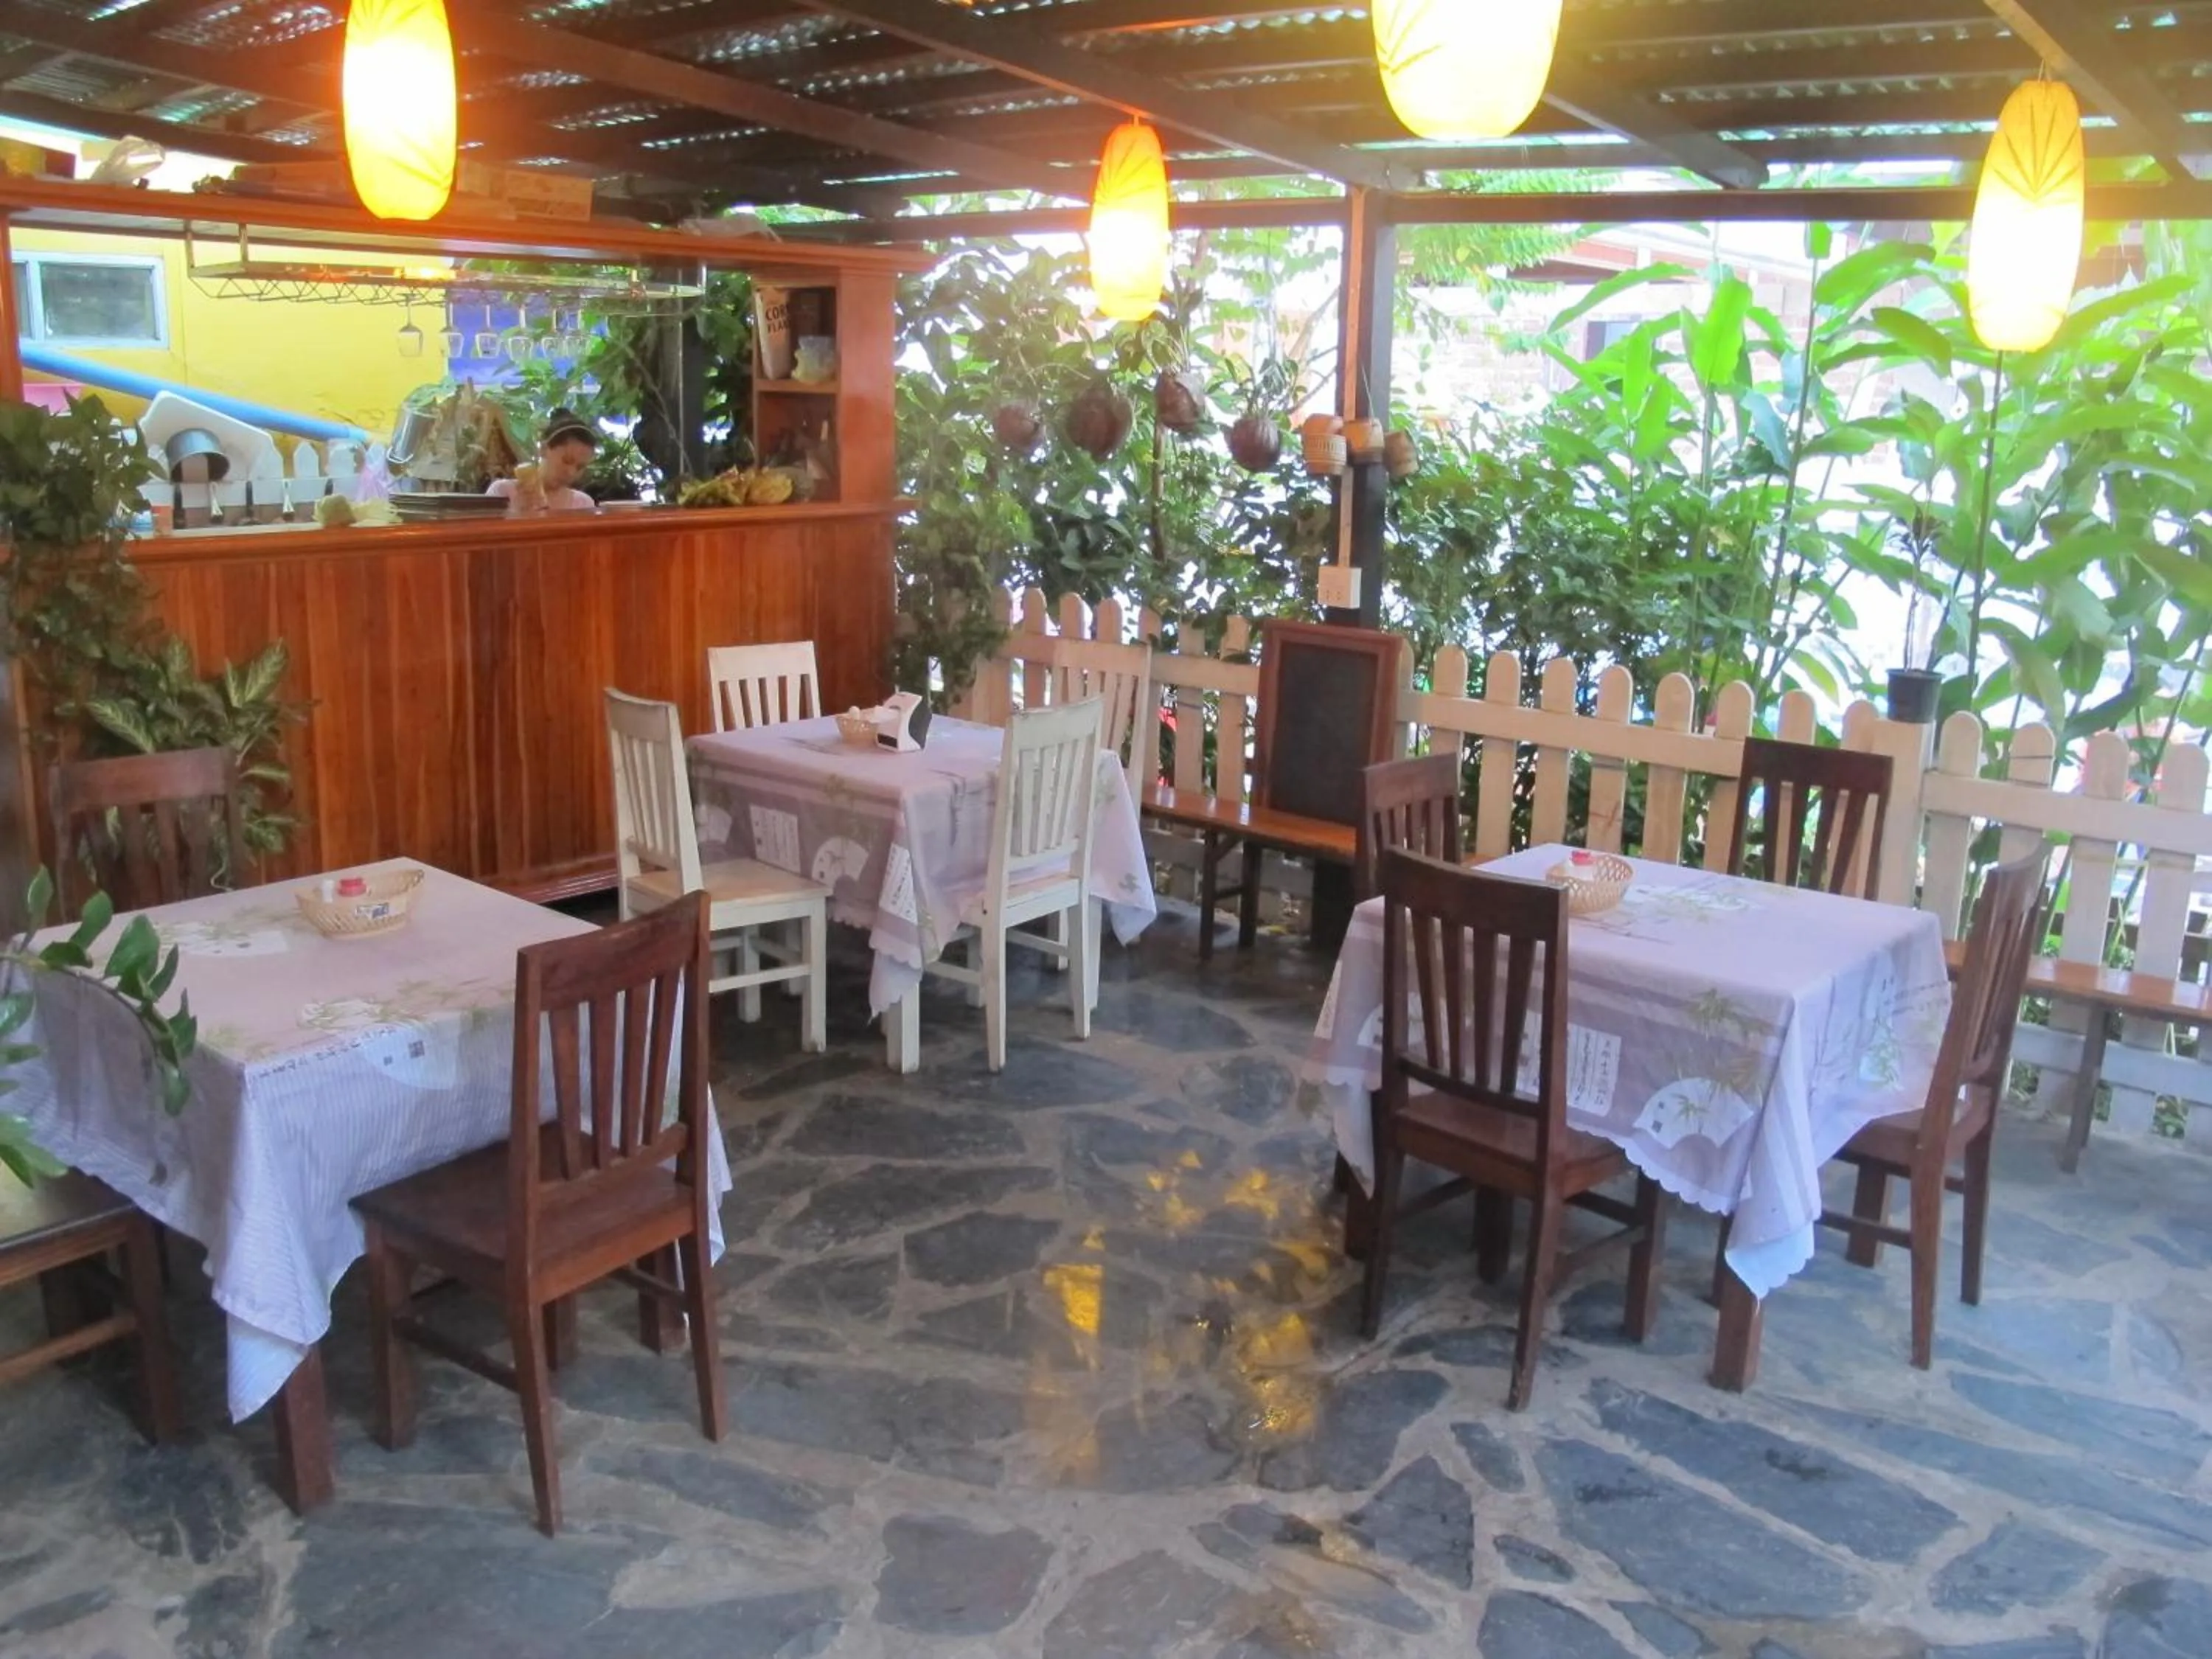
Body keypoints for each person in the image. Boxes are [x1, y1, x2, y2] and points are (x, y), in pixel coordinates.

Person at [490, 409, 599, 514]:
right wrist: (517, 511)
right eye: (566, 461)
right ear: (544, 449)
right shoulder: (503, 493)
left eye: (580, 467)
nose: (571, 472)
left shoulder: (583, 504)